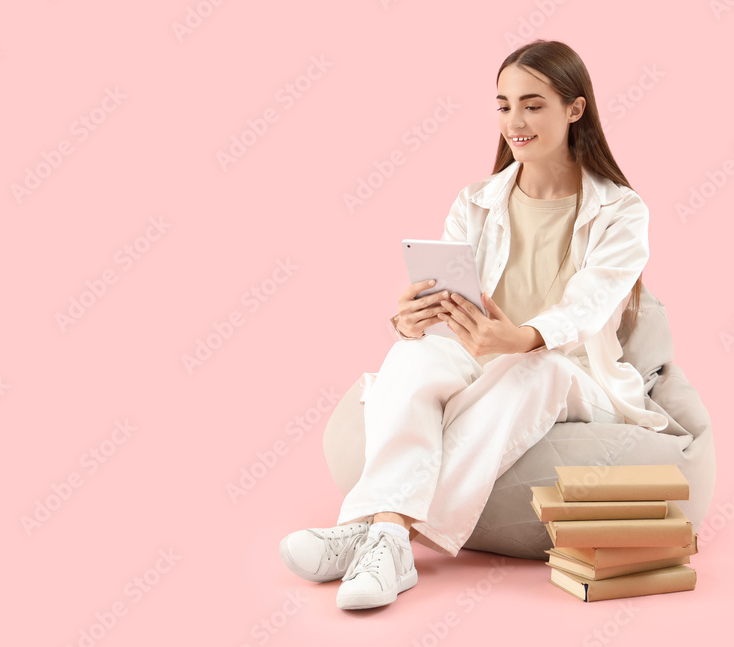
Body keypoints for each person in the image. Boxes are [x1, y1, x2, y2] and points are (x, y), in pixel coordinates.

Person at [279, 39, 669, 611]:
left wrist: (527, 338)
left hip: (576, 373)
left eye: (533, 104)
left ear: (575, 109)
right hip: (482, 355)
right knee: (411, 358)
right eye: (504, 104)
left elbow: (591, 303)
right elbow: (454, 302)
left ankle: (381, 533)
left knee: (535, 372)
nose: (515, 121)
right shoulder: (476, 201)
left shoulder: (623, 210)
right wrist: (412, 318)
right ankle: (385, 535)